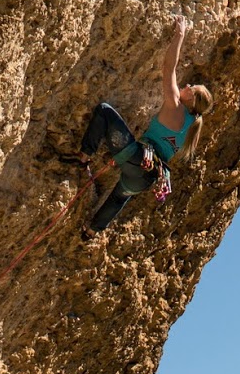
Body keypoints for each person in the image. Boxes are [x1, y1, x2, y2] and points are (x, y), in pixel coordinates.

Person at [79, 15, 214, 236]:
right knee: (118, 197)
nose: (187, 85)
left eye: (192, 88)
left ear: (191, 100)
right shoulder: (191, 126)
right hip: (148, 177)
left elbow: (168, 67)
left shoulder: (176, 105)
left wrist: (179, 34)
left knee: (104, 111)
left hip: (137, 157)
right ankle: (92, 230)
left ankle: (84, 157)